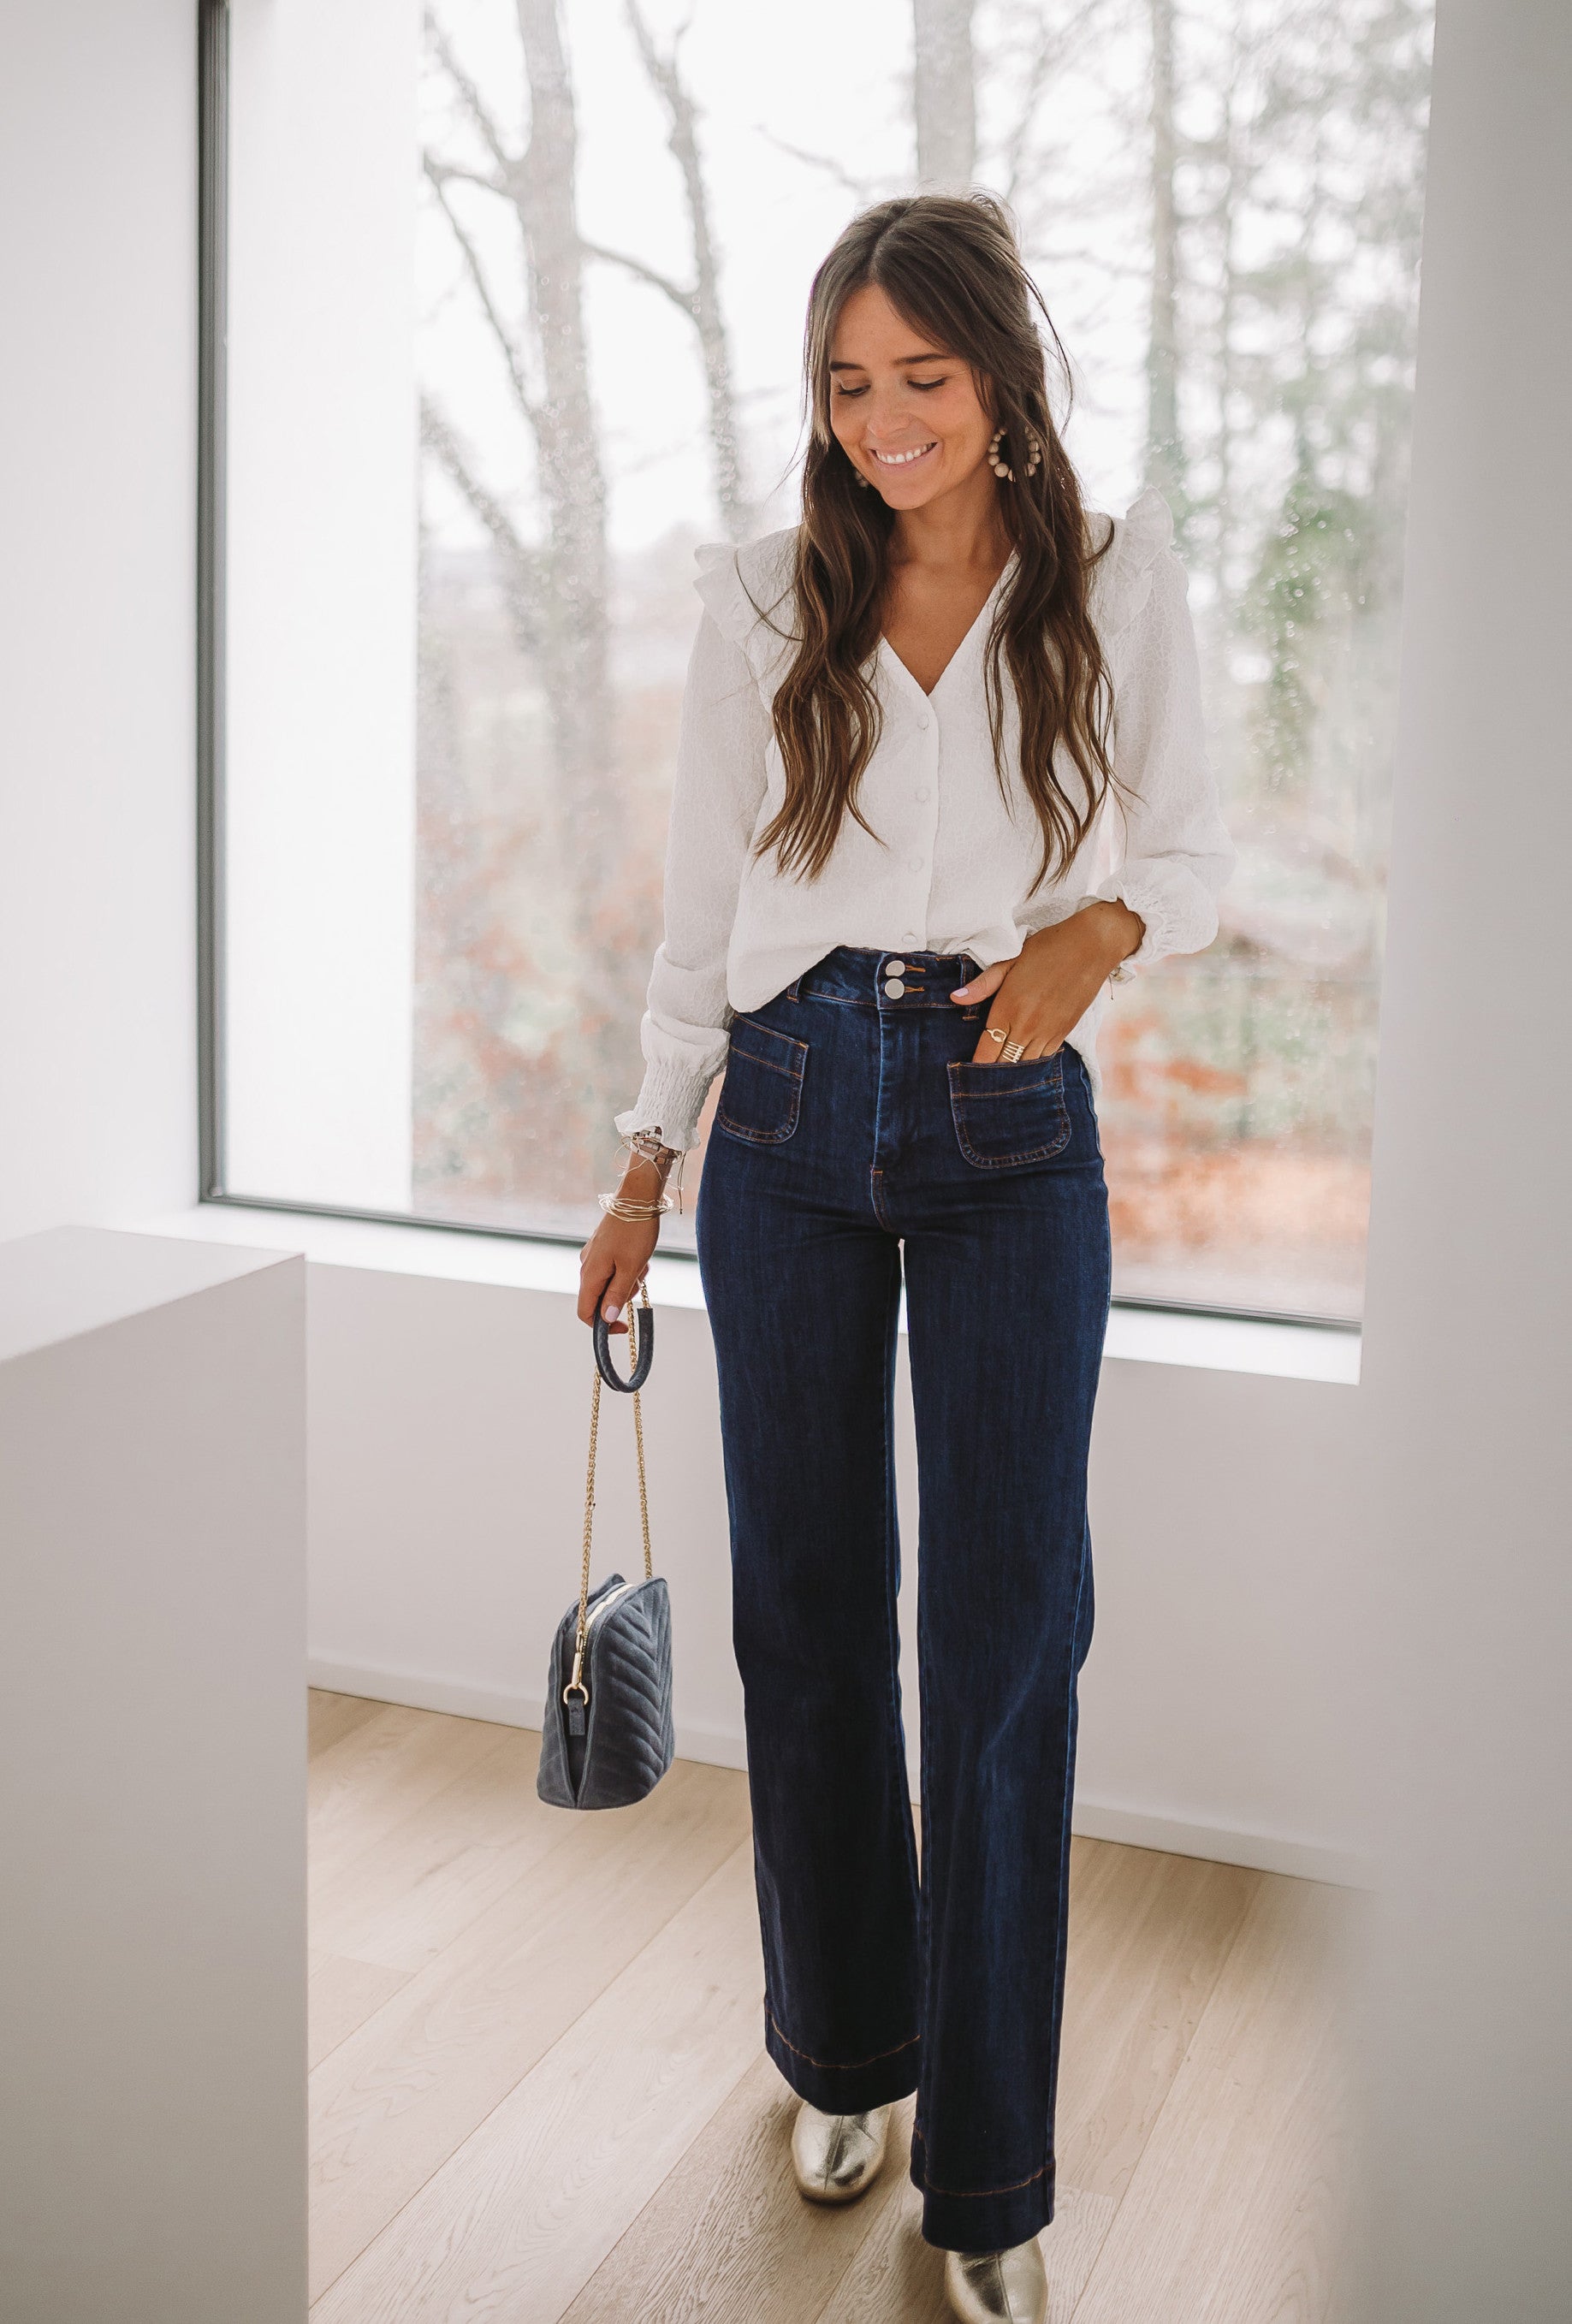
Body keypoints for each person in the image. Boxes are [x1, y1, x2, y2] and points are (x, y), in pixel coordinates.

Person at [577, 192, 1233, 2324]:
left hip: (1003, 1113)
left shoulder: (1114, 583)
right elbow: (699, 898)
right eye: (849, 387)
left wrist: (1090, 931)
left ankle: (994, 2168)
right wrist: (639, 1154)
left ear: (999, 375)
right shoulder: (766, 595)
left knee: (1008, 1637)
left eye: (920, 382)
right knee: (807, 1616)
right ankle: (844, 2054)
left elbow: (1199, 849)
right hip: (775, 1113)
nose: (882, 425)